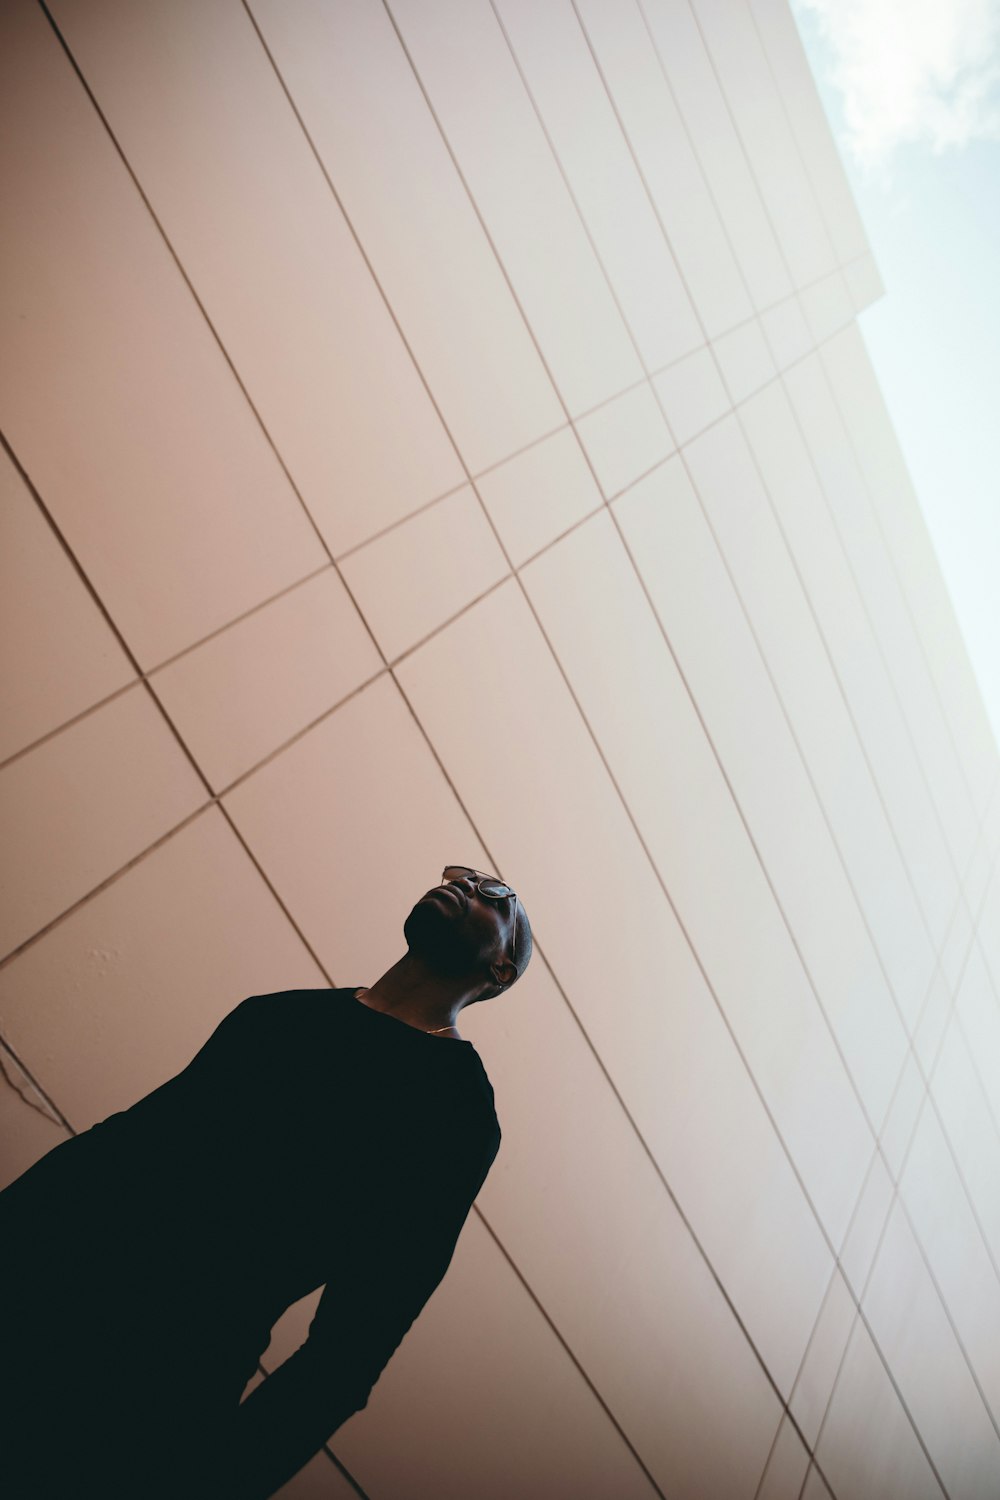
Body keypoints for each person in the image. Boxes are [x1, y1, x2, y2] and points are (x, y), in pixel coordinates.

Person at [0, 863, 532, 1498]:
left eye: (493, 895)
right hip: (31, 1280)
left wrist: (220, 1481)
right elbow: (125, 1143)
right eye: (460, 873)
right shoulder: (278, 1014)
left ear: (501, 969)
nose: (464, 884)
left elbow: (351, 1348)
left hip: (144, 1382)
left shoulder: (458, 1114)